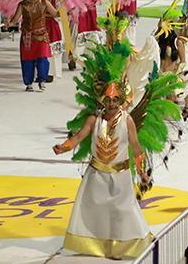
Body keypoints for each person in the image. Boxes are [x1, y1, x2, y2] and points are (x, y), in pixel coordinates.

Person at [53, 82, 152, 259]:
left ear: (120, 101)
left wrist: (142, 172)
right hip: (96, 174)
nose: (111, 104)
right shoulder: (94, 120)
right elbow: (77, 137)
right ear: (102, 101)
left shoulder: (127, 120)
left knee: (122, 210)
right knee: (94, 209)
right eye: (108, 100)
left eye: (115, 100)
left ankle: (122, 246)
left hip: (120, 175)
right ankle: (96, 244)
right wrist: (64, 147)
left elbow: (136, 147)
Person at [8, 0, 58, 92]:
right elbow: (15, 20)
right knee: (27, 60)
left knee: (43, 59)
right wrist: (9, 24)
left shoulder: (45, 3)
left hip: (42, 36)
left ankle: (42, 81)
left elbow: (55, 14)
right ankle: (29, 83)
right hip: (28, 37)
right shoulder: (23, 5)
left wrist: (66, 12)